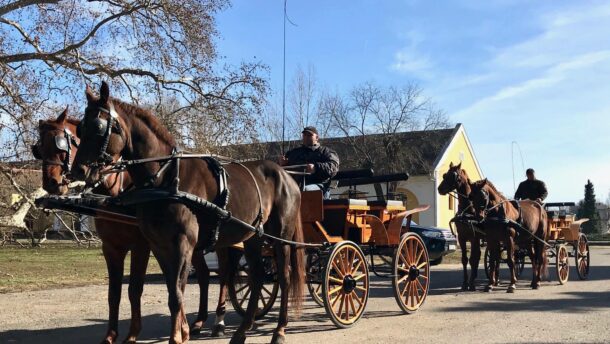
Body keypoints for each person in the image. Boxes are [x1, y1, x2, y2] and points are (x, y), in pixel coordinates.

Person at [279, 126, 339, 198]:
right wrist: (281, 164)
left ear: (317, 137)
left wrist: (315, 168)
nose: (306, 137)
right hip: (294, 186)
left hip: (319, 186)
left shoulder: (326, 152)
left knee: (304, 190)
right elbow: (280, 170)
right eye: (304, 135)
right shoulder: (293, 153)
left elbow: (333, 167)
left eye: (309, 135)